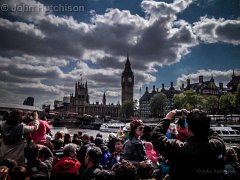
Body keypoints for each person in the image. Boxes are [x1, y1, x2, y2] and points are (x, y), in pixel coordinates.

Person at [151, 109, 226, 180]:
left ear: (188, 129)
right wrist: (198, 120)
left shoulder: (179, 148)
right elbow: (211, 132)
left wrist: (168, 118)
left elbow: (156, 135)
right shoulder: (218, 145)